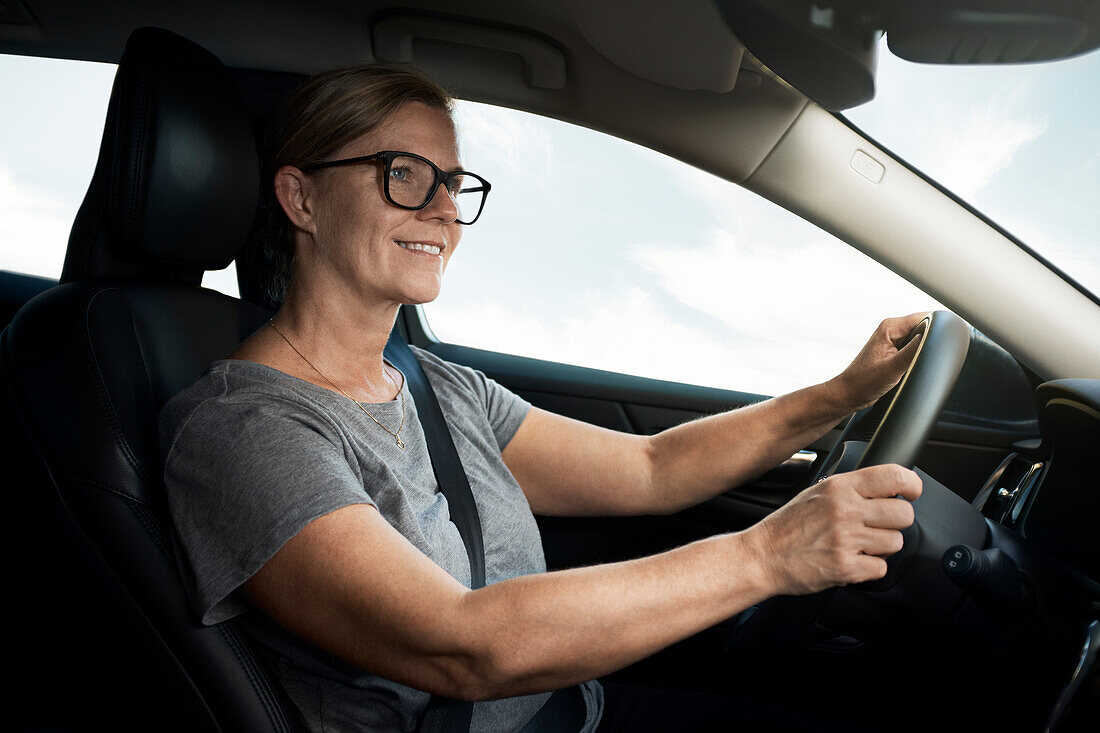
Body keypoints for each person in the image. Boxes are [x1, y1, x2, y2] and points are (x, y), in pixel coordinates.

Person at [159, 63, 924, 733]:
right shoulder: (243, 429)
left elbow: (655, 468)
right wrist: (766, 555)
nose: (442, 211)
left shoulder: (442, 386)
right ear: (301, 197)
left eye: (452, 184)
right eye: (403, 173)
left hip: (573, 710)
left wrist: (840, 392)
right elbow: (460, 643)